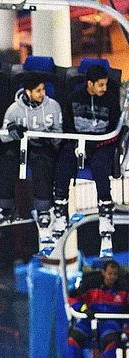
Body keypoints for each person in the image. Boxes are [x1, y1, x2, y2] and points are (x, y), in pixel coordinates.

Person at [52, 64, 121, 240]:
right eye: (100, 85)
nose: (104, 89)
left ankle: (105, 213)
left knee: (99, 166)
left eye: (105, 84)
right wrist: (77, 143)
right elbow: (68, 125)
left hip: (101, 143)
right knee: (64, 163)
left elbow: (115, 128)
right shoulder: (74, 98)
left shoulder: (111, 99)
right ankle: (60, 211)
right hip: (78, 142)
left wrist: (99, 143)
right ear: (90, 83)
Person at [0, 73, 63, 230]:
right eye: (38, 91)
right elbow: (3, 138)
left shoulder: (53, 106)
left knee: (42, 160)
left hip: (42, 144)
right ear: (27, 92)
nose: (42, 94)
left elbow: (59, 133)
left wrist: (46, 139)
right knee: (6, 158)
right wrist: (12, 131)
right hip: (19, 145)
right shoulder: (14, 109)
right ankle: (4, 206)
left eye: (43, 90)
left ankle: (43, 209)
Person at [67, 260, 128, 358]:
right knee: (72, 341)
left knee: (111, 344)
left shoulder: (124, 289)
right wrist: (83, 309)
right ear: (103, 273)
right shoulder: (90, 284)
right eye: (110, 274)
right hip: (89, 320)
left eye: (115, 274)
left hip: (110, 323)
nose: (112, 277)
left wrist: (125, 329)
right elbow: (72, 298)